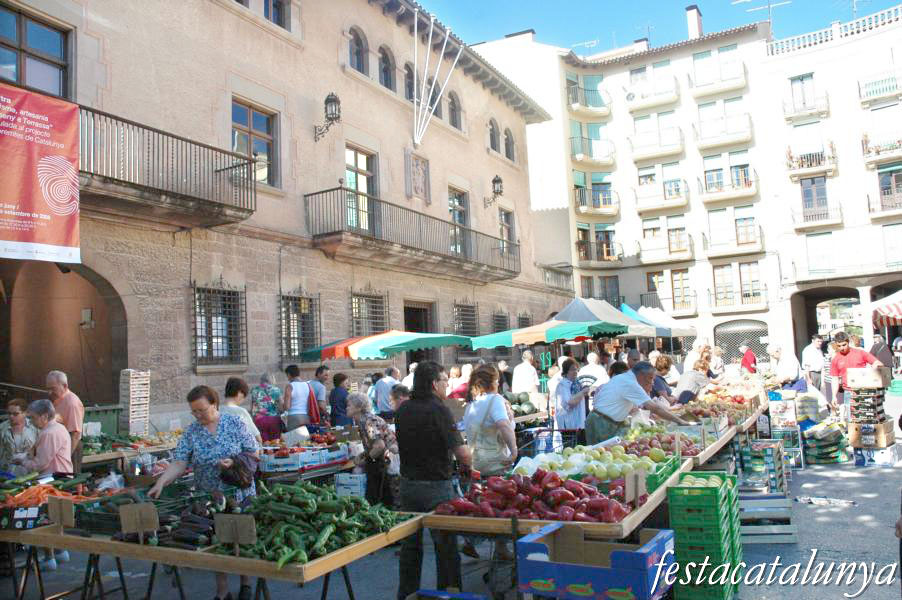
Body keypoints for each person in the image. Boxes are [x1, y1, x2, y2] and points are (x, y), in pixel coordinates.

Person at [149, 386, 259, 600]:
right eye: (194, 411)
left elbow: (254, 452)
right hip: (209, 497)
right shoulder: (191, 431)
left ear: (214, 404)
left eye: (201, 410)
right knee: (217, 541)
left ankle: (246, 583)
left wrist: (233, 461)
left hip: (239, 493)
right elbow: (180, 462)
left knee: (243, 538)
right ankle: (222, 590)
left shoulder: (234, 423)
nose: (198, 415)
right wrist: (161, 482)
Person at [395, 361, 470, 599]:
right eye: (444, 380)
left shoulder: (403, 409)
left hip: (408, 486)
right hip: (436, 486)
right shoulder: (439, 409)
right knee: (446, 546)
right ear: (433, 384)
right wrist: (470, 459)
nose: (447, 384)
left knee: (410, 548)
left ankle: (406, 594)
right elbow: (461, 453)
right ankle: (448, 593)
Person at [461, 365, 518, 560]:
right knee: (500, 502)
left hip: (476, 461)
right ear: (494, 382)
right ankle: (501, 549)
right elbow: (503, 425)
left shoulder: (471, 405)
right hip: (495, 461)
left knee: (482, 501)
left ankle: (471, 540)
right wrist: (514, 450)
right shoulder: (495, 400)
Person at [15, 399, 72, 571]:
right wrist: (26, 457)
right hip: (59, 477)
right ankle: (60, 552)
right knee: (56, 519)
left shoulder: (50, 433)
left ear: (45, 416)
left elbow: (40, 463)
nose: (31, 421)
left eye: (32, 418)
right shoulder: (56, 429)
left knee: (44, 520)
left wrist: (22, 463)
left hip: (51, 480)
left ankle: (49, 558)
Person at [586, 362, 690, 444]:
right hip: (601, 422)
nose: (652, 382)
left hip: (602, 420)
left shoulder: (625, 378)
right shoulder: (630, 383)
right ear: (641, 375)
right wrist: (679, 420)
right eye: (650, 378)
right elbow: (654, 408)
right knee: (601, 457)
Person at [347, 392, 399, 508]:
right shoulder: (364, 421)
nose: (347, 407)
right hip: (384, 461)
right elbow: (374, 444)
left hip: (385, 462)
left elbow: (379, 446)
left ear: (359, 408)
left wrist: (367, 459)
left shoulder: (368, 421)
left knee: (377, 499)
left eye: (349, 405)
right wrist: (364, 454)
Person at [829, 331, 883, 421]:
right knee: (852, 421)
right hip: (848, 392)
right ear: (836, 345)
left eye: (844, 345)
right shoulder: (835, 359)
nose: (842, 348)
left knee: (866, 420)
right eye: (839, 346)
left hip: (863, 391)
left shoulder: (860, 353)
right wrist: (834, 396)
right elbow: (834, 378)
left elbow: (878, 363)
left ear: (848, 342)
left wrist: (874, 368)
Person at [46, 370, 84, 473]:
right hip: (59, 447)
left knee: (69, 481)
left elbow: (75, 434)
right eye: (48, 389)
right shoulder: (56, 399)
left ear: (65, 386)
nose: (49, 392)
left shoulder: (72, 403)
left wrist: (66, 458)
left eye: (53, 388)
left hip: (71, 447)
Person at [553, 359, 597, 443]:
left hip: (579, 423)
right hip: (568, 424)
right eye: (572, 369)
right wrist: (582, 392)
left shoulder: (577, 384)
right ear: (566, 371)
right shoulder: (562, 385)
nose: (575, 371)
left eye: (576, 369)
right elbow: (570, 402)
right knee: (570, 447)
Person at [0, 398, 38, 476]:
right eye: (9, 413)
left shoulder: (34, 427)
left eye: (15, 414)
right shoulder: (2, 428)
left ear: (25, 413)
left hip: (27, 470)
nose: (11, 416)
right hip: (6, 469)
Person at [222, 378, 262, 445]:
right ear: (239, 393)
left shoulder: (217, 410)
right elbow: (257, 437)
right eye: (244, 396)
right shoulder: (241, 412)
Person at [249, 373, 283, 443]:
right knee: (275, 443)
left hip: (259, 419)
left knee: (263, 444)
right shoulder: (276, 390)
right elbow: (281, 406)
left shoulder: (254, 390)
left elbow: (252, 407)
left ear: (261, 380)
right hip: (274, 419)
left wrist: (253, 419)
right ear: (272, 380)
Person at [283, 364, 314, 430]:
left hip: (294, 417)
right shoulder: (308, 385)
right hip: (305, 417)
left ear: (289, 374)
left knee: (293, 439)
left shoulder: (290, 386)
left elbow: (287, 407)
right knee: (305, 440)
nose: (288, 378)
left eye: (287, 376)